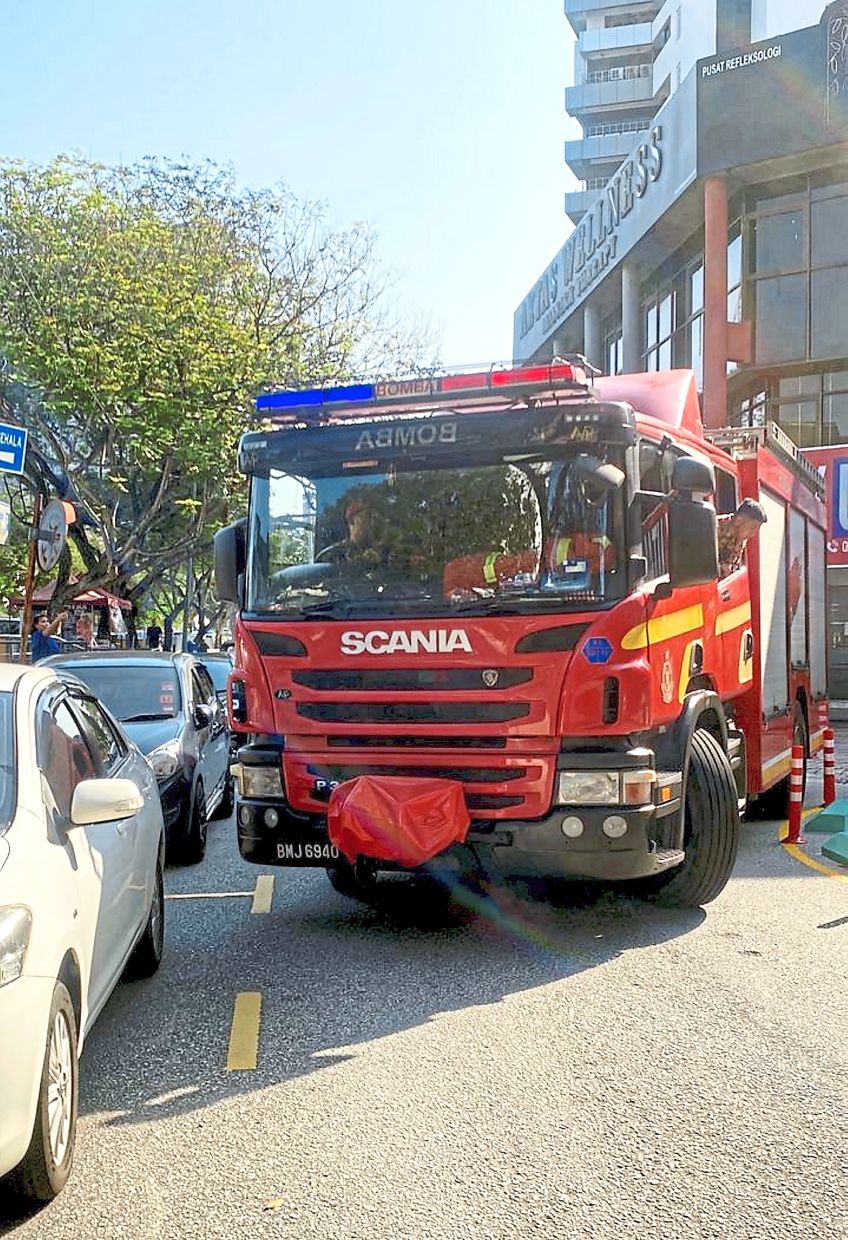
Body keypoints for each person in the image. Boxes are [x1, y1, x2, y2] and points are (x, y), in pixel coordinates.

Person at [717, 499, 767, 577]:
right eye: (752, 527)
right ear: (738, 521)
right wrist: (719, 568)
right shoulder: (713, 527)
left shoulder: (741, 540)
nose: (754, 533)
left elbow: (731, 568)